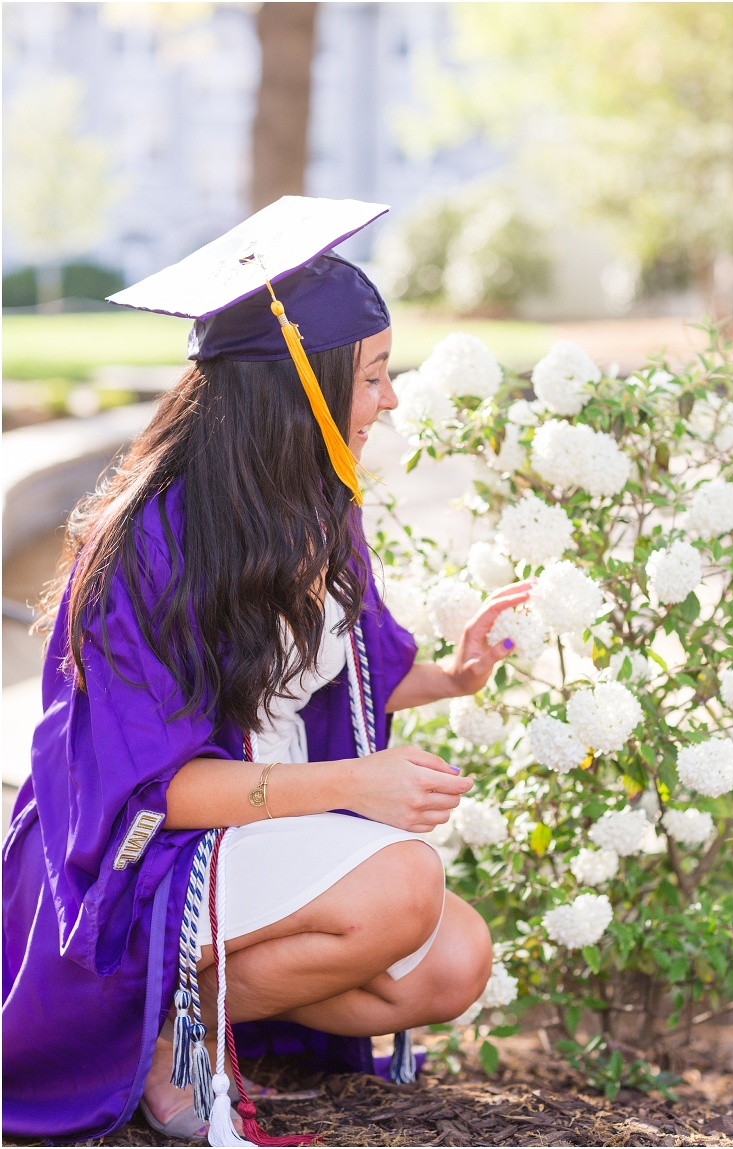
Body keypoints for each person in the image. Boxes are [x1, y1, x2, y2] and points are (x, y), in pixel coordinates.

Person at [2, 197, 531, 1144]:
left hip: (266, 822)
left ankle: (178, 1017)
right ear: (301, 390)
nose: (391, 400)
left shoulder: (316, 504)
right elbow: (149, 789)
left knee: (456, 961)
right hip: (148, 855)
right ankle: (151, 1036)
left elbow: (343, 672)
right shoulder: (149, 550)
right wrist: (355, 785)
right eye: (373, 376)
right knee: (406, 885)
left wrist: (457, 675)